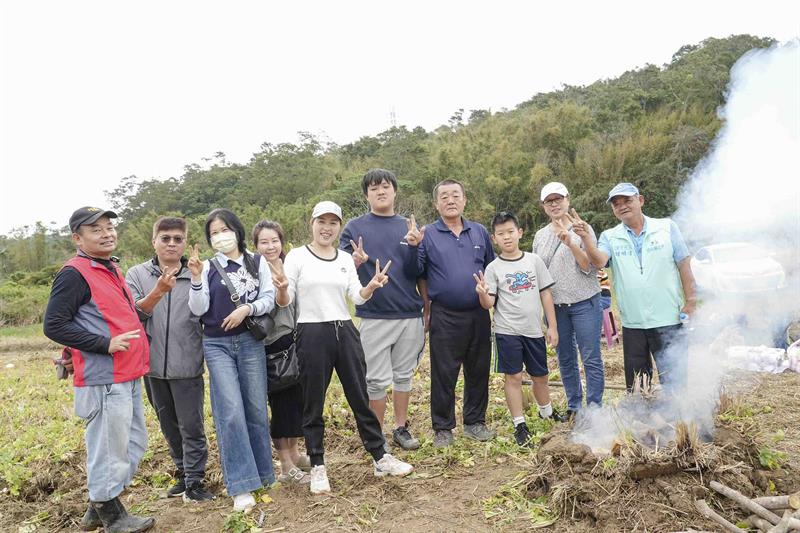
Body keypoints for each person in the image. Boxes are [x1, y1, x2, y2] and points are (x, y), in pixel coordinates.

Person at [271, 200, 413, 495]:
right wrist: (282, 289)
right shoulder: (297, 257)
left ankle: (379, 456)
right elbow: (287, 301)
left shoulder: (344, 259)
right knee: (312, 403)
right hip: (311, 333)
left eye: (333, 223)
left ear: (339, 227)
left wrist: (371, 286)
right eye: (321, 222)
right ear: (311, 223)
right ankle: (319, 465)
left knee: (360, 397)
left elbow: (356, 297)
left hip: (345, 331)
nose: (327, 228)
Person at [43, 207, 154, 532]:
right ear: (78, 238)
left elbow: (101, 315)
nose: (107, 233)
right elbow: (54, 324)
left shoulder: (109, 269)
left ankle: (98, 503)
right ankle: (111, 514)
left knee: (133, 443)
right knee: (109, 447)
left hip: (127, 371)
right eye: (96, 229)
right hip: (103, 375)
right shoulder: (74, 273)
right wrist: (103, 343)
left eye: (109, 227)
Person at [187, 208, 275, 512]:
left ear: (237, 231)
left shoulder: (257, 262)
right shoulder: (208, 266)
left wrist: (246, 309)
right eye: (213, 233)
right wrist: (197, 279)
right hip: (217, 344)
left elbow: (270, 298)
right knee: (231, 412)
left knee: (255, 409)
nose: (220, 236)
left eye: (224, 229)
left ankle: (263, 474)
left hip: (250, 342)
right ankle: (240, 484)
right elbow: (198, 309)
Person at [125, 217, 215, 503]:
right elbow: (133, 313)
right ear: (154, 242)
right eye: (166, 238)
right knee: (167, 423)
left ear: (185, 243)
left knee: (192, 425)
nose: (172, 243)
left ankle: (196, 480)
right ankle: (182, 471)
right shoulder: (137, 274)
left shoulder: (196, 272)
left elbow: (206, 313)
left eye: (178, 239)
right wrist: (159, 291)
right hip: (150, 364)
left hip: (187, 362)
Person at [576, 182, 697, 392]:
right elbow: (599, 261)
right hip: (633, 322)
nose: (622, 206)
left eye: (627, 200)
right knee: (638, 385)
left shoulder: (666, 227)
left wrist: (692, 301)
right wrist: (586, 239)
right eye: (616, 204)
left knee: (675, 380)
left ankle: (678, 419)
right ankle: (643, 421)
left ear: (640, 200)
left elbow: (684, 264)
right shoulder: (610, 236)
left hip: (668, 317)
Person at [340, 169, 426, 451]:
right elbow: (340, 268)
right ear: (366, 194)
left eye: (386, 186)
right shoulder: (354, 227)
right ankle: (376, 437)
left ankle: (401, 428)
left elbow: (417, 271)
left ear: (394, 191)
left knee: (403, 375)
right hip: (374, 314)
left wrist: (415, 247)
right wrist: (355, 261)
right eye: (374, 188)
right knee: (375, 379)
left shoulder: (408, 226)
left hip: (409, 314)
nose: (380, 191)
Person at [412, 179, 496, 447]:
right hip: (444, 314)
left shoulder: (480, 232)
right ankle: (443, 427)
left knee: (478, 369)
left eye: (455, 195)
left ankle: (475, 422)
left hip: (478, 313)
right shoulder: (428, 234)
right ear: (436, 203)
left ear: (464, 200)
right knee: (443, 372)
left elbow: (492, 270)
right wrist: (414, 247)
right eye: (444, 196)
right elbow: (418, 273)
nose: (450, 200)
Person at [475, 212, 563, 447]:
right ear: (494, 238)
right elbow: (489, 304)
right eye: (501, 234)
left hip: (534, 330)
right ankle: (519, 424)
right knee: (513, 376)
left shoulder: (534, 261)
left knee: (541, 375)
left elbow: (545, 293)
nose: (506, 237)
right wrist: (483, 295)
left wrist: (552, 325)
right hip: (507, 331)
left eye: (510, 232)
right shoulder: (493, 268)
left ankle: (546, 411)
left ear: (520, 233)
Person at [533, 182, 605, 416]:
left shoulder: (582, 227)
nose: (554, 204)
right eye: (549, 201)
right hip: (556, 306)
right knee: (565, 358)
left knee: (591, 356)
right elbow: (539, 274)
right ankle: (574, 406)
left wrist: (572, 242)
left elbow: (588, 266)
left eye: (558, 199)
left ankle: (594, 409)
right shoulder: (540, 236)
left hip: (584, 301)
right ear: (543, 206)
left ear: (568, 200)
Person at [252, 220, 310, 484]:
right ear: (255, 246)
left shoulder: (290, 266)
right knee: (281, 406)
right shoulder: (253, 273)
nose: (270, 246)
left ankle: (296, 454)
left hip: (294, 342)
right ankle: (286, 466)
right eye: (263, 242)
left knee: (295, 404)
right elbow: (275, 304)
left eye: (274, 240)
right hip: (271, 346)